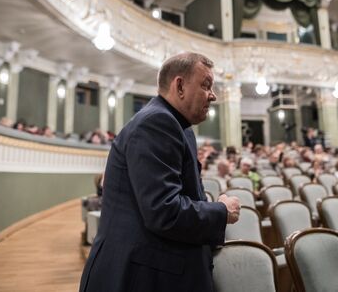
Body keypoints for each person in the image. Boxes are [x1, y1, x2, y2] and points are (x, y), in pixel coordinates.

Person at [79, 52, 241, 292]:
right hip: (138, 276)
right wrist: (221, 211)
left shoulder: (177, 126)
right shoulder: (156, 123)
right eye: (206, 85)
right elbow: (164, 211)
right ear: (180, 86)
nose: (213, 95)